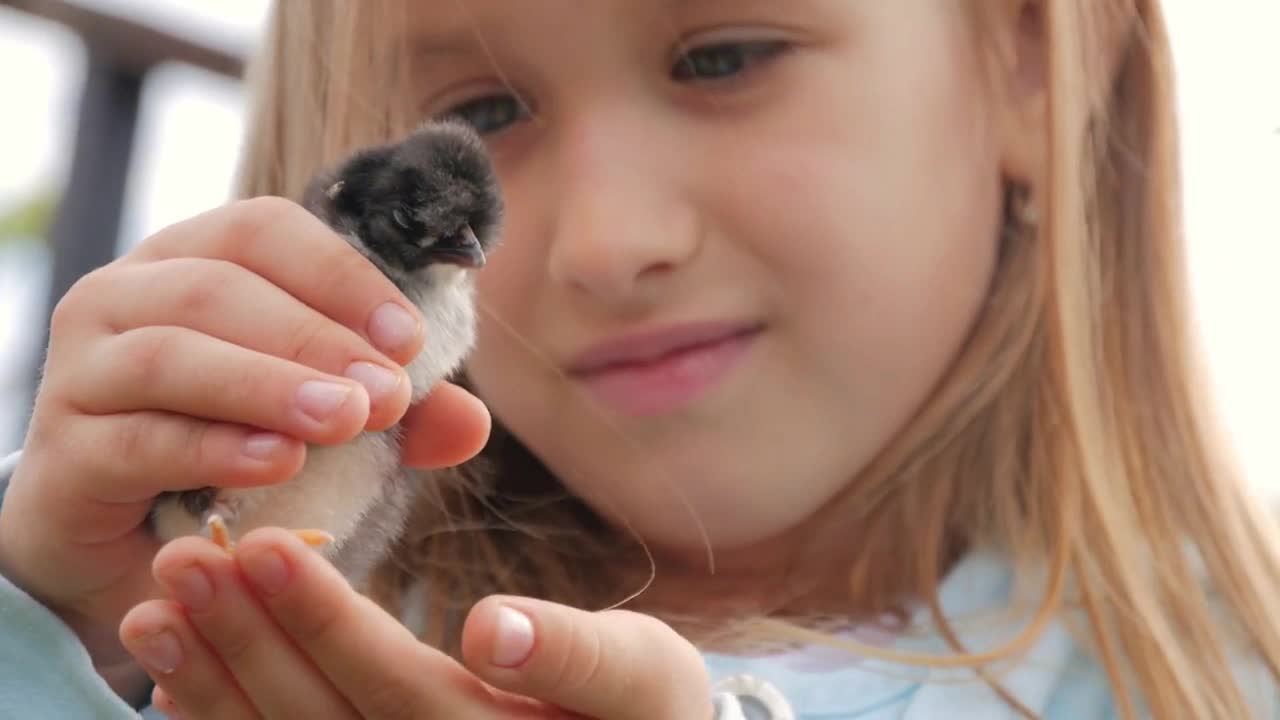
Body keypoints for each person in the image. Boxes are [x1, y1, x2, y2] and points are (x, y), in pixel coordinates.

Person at [1, 1, 1278, 718]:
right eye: (487, 115)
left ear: (1028, 64)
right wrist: (65, 635)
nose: (609, 244)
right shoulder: (254, 635)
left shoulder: (1221, 681)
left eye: (721, 59)